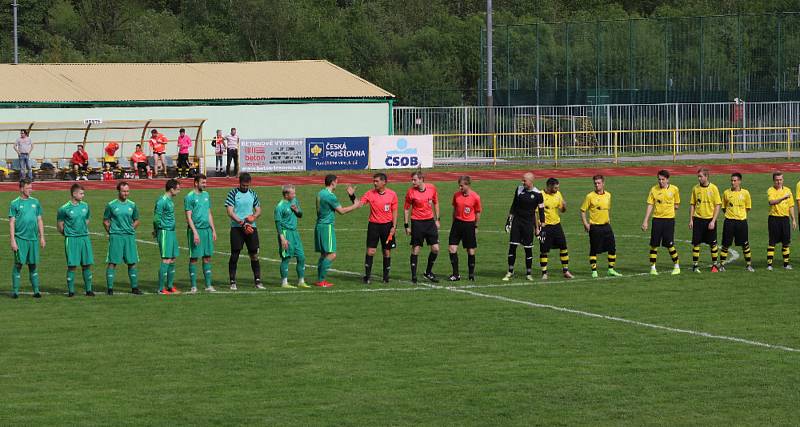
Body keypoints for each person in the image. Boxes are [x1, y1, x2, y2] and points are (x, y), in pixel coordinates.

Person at [314, 174, 360, 287]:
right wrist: (355, 205)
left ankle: (320, 280)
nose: (337, 184)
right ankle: (321, 280)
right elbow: (341, 211)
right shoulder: (330, 196)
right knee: (332, 254)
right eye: (337, 182)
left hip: (319, 225)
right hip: (327, 227)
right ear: (333, 182)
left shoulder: (320, 193)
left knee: (324, 254)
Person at [356, 173, 398, 284]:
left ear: (384, 182)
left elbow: (394, 211)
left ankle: (385, 277)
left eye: (377, 181)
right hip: (374, 226)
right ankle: (367, 276)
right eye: (374, 181)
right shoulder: (370, 194)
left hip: (387, 226)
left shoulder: (392, 194)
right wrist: (352, 196)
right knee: (371, 251)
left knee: (386, 252)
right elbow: (359, 204)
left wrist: (394, 226)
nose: (374, 183)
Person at [502, 172, 544, 282]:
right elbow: (514, 205)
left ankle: (528, 273)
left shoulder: (538, 194)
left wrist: (540, 228)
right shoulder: (519, 189)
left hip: (528, 224)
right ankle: (510, 271)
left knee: (528, 249)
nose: (522, 182)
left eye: (524, 180)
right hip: (517, 222)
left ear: (531, 181)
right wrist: (509, 220)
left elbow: (541, 211)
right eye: (522, 180)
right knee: (512, 247)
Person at [225, 173, 264, 290]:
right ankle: (232, 281)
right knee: (235, 254)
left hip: (251, 228)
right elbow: (230, 212)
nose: (245, 187)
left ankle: (257, 280)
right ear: (239, 183)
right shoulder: (233, 193)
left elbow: (258, 210)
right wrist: (242, 223)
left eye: (247, 185)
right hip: (237, 228)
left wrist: (254, 217)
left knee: (254, 254)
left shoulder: (253, 194)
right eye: (243, 185)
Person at [103, 181, 143, 295]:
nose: (126, 193)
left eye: (127, 191)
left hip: (129, 237)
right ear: (118, 191)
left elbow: (137, 220)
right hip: (116, 236)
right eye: (124, 191)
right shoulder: (111, 205)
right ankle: (110, 289)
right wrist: (111, 232)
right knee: (112, 262)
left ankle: (134, 288)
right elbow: (106, 220)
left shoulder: (132, 205)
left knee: (132, 262)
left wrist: (131, 229)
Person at [9, 178, 45, 298]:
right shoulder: (15, 203)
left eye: (31, 187)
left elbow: (39, 219)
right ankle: (15, 291)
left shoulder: (36, 202)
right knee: (18, 265)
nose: (31, 190)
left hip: (33, 239)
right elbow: (12, 222)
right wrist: (13, 240)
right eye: (28, 188)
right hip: (20, 239)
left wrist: (42, 237)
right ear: (21, 189)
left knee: (33, 265)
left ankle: (36, 291)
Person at [57, 184, 94, 297]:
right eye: (81, 193)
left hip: (84, 238)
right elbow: (60, 225)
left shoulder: (85, 206)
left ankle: (88, 290)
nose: (83, 195)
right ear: (74, 194)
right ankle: (71, 291)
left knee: (87, 264)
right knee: (72, 265)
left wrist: (82, 229)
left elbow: (87, 219)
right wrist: (68, 234)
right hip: (72, 239)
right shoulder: (64, 208)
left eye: (83, 193)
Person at [580, 175, 621, 278]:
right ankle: (594, 271)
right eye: (595, 183)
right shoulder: (590, 196)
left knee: (612, 247)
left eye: (598, 183)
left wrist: (608, 220)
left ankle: (611, 269)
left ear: (603, 183)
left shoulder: (608, 195)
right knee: (594, 249)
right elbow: (583, 210)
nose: (597, 185)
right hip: (595, 227)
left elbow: (607, 209)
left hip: (606, 226)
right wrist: (585, 223)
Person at [403, 171, 441, 284]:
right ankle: (414, 276)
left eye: (414, 180)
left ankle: (428, 272)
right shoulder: (410, 192)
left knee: (435, 249)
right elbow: (406, 208)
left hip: (430, 222)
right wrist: (406, 225)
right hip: (417, 222)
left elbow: (436, 203)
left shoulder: (432, 188)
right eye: (412, 180)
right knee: (416, 249)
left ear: (421, 179)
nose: (412, 182)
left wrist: (437, 219)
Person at [642, 170, 681, 275]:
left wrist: (668, 207)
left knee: (669, 245)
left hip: (669, 221)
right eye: (659, 179)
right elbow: (650, 205)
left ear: (667, 179)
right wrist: (645, 221)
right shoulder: (653, 190)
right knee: (654, 245)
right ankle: (653, 268)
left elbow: (677, 204)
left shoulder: (674, 189)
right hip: (657, 220)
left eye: (663, 179)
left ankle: (677, 266)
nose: (661, 181)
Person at [185, 174, 217, 293]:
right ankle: (193, 286)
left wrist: (213, 229)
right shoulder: (189, 197)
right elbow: (188, 217)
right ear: (196, 183)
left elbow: (209, 213)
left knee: (207, 257)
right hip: (196, 231)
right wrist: (195, 233)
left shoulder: (206, 195)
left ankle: (208, 285)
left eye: (205, 182)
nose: (205, 184)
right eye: (203, 182)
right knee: (194, 258)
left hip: (206, 230)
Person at [538, 178, 574, 280]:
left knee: (563, 247)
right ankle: (544, 273)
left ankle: (566, 271)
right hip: (545, 227)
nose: (557, 189)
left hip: (557, 225)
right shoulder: (540, 195)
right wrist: (537, 226)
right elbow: (535, 212)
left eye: (558, 187)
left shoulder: (558, 194)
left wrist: (564, 207)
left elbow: (562, 210)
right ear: (549, 186)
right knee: (544, 250)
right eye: (555, 187)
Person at [448, 176, 481, 281]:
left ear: (467, 185)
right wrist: (453, 223)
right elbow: (454, 209)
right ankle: (456, 274)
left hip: (469, 225)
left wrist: (476, 226)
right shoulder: (456, 195)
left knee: (470, 250)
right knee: (452, 248)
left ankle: (471, 275)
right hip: (457, 224)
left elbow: (478, 212)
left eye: (462, 185)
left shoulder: (475, 197)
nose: (460, 187)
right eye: (459, 185)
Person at [274, 184, 308, 289]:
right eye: (293, 193)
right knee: (286, 258)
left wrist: (296, 210)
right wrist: (282, 238)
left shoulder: (294, 201)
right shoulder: (280, 207)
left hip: (295, 233)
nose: (295, 195)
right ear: (286, 194)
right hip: (285, 233)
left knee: (301, 257)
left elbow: (300, 215)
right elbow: (278, 223)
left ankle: (301, 281)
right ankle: (284, 283)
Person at [689, 168, 722, 273]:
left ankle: (714, 265)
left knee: (713, 244)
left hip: (709, 220)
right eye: (698, 176)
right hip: (698, 220)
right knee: (696, 243)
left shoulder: (714, 188)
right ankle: (695, 266)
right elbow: (693, 204)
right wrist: (691, 219)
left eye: (701, 176)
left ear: (706, 176)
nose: (699, 178)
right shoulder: (695, 188)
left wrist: (713, 221)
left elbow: (718, 205)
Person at [720, 172, 753, 271]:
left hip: (741, 222)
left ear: (739, 181)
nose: (732, 182)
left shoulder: (746, 193)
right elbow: (724, 207)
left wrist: (740, 215)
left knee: (745, 244)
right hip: (729, 222)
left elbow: (747, 208)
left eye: (735, 181)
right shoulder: (726, 193)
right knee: (725, 244)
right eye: (732, 180)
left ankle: (748, 265)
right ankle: (721, 265)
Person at [154, 179, 181, 294]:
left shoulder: (170, 201)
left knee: (173, 258)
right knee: (166, 259)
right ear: (171, 189)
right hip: (164, 232)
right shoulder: (162, 201)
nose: (179, 191)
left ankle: (170, 286)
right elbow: (156, 218)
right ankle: (160, 288)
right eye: (178, 189)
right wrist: (156, 230)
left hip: (171, 232)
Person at [767, 171, 796, 270]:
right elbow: (771, 202)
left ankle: (786, 264)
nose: (779, 182)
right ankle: (769, 265)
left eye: (780, 180)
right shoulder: (771, 190)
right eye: (777, 180)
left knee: (786, 242)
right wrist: (783, 198)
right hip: (774, 219)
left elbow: (791, 206)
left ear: (783, 180)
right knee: (772, 242)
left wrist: (793, 219)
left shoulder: (788, 190)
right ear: (773, 181)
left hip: (785, 219)